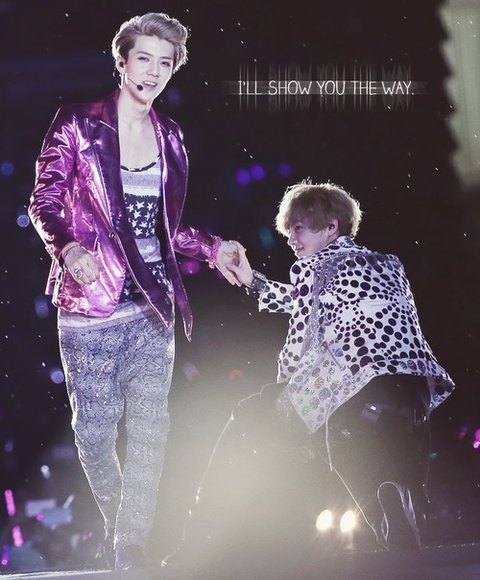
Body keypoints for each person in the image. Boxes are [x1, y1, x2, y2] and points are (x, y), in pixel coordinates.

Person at [28, 12, 240, 572]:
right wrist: (68, 248)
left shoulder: (171, 136)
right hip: (90, 306)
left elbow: (163, 227)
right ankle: (120, 522)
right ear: (121, 61)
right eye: (143, 59)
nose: (153, 72)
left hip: (151, 306)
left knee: (150, 431)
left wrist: (214, 248)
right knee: (94, 435)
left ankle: (131, 546)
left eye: (164, 63)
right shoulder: (78, 124)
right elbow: (44, 200)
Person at [224, 181, 455, 550]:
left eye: (299, 228)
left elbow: (300, 339)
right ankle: (406, 504)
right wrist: (255, 283)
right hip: (415, 388)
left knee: (282, 425)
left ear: (331, 226)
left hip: (355, 386)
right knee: (402, 467)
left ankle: (218, 538)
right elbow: (313, 300)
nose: (291, 239)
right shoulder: (388, 263)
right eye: (289, 231)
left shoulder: (313, 268)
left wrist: (286, 395)